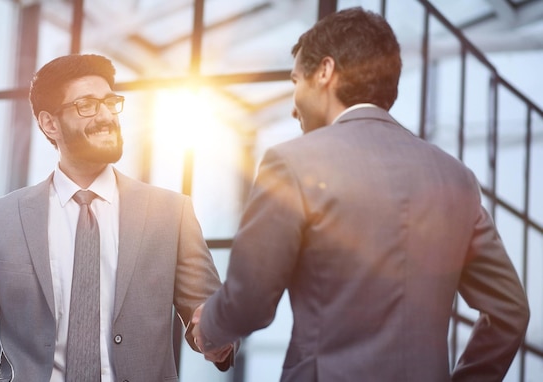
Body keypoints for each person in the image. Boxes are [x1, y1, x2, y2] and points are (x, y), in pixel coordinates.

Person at [192, 7, 530, 382]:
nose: (292, 107)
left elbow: (249, 304)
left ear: (325, 71)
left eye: (294, 83)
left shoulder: (292, 163)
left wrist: (207, 326)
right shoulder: (457, 178)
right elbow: (509, 312)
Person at [0, 53, 232, 381]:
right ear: (50, 124)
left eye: (110, 102)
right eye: (88, 105)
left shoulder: (170, 214)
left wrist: (217, 334)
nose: (106, 115)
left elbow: (208, 317)